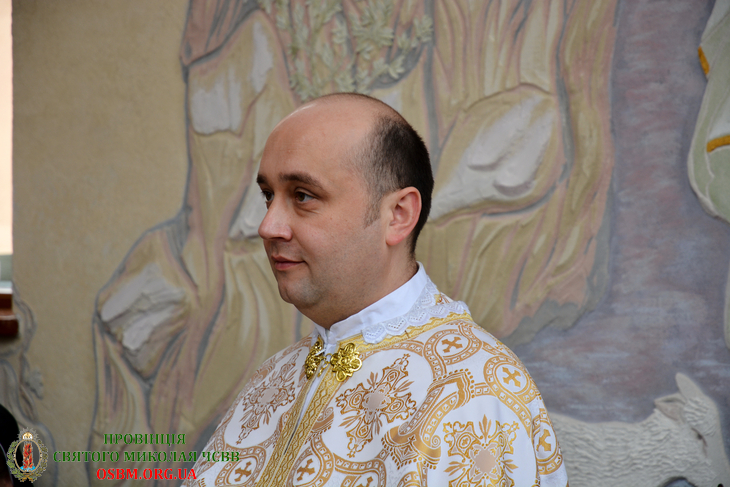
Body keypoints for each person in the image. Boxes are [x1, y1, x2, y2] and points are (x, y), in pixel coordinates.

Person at [184, 93, 567, 486]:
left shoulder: (474, 393)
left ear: (398, 216)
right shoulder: (273, 377)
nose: (268, 226)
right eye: (269, 196)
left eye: (302, 196)